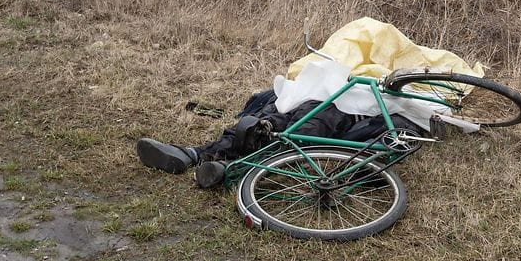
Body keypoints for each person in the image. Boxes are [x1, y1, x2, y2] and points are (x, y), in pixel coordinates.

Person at [137, 88, 418, 188]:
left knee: (303, 130)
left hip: (347, 109)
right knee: (267, 122)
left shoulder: (408, 77)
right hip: (312, 97)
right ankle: (193, 154)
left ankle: (231, 170)